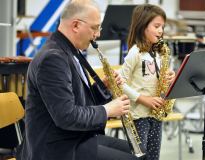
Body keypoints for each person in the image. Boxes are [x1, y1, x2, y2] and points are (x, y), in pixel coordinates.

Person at [19, 0, 140, 160]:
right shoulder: (53, 58)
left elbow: (79, 101)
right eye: (95, 28)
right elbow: (67, 116)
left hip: (75, 138)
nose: (98, 34)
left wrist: (102, 87)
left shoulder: (69, 50)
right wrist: (107, 110)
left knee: (139, 152)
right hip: (57, 148)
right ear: (76, 25)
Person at [119, 4, 176, 160]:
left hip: (156, 113)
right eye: (156, 26)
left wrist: (171, 76)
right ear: (142, 26)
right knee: (139, 155)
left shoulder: (160, 52)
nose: (161, 31)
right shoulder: (135, 52)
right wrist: (143, 99)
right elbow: (120, 83)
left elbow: (161, 76)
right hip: (138, 115)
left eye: (162, 27)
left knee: (153, 156)